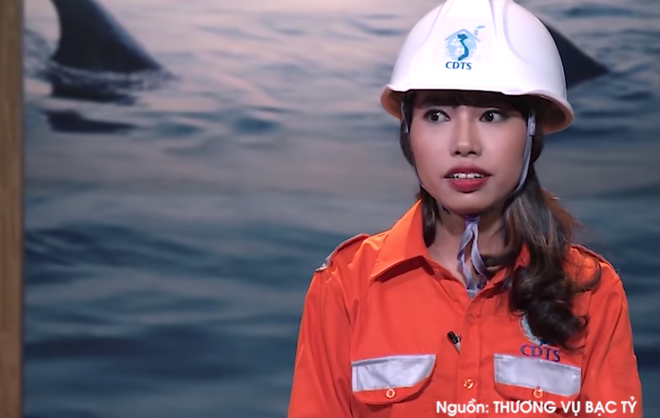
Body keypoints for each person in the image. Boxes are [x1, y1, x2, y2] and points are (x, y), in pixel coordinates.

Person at [286, 0, 643, 416]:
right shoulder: (346, 286)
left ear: (532, 133)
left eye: (491, 115)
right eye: (437, 115)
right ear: (408, 132)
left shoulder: (590, 291)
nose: (464, 143)